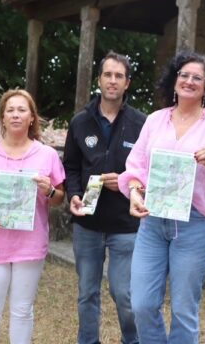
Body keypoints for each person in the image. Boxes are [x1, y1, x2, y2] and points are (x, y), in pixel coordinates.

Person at [118, 51, 205, 344]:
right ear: (174, 81)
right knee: (142, 304)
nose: (189, 81)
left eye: (198, 78)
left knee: (183, 310)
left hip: (196, 225)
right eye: (184, 75)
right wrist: (133, 191)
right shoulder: (155, 120)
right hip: (153, 222)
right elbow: (136, 167)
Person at [0, 89, 66, 344]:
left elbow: (59, 198)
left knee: (22, 311)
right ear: (3, 118)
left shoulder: (47, 155)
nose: (16, 115)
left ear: (32, 118)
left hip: (29, 246)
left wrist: (49, 190)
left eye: (22, 110)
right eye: (10, 110)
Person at [64, 51, 146, 344]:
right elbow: (71, 167)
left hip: (126, 224)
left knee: (124, 294)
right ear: (99, 80)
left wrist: (126, 184)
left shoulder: (142, 124)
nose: (112, 81)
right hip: (87, 222)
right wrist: (73, 194)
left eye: (119, 76)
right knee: (87, 292)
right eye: (107, 75)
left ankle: (132, 340)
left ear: (127, 83)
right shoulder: (80, 122)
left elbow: (149, 172)